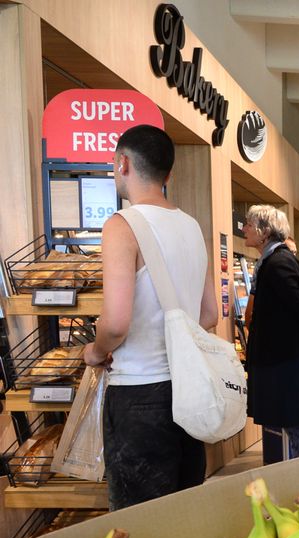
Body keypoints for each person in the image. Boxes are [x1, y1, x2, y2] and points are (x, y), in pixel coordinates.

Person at [82, 124, 218, 510]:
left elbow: (116, 322)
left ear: (123, 163)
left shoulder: (121, 225)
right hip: (188, 390)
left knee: (142, 524)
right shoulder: (192, 227)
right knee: (185, 512)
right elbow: (210, 313)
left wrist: (95, 350)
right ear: (168, 175)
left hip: (139, 391)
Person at [242, 204, 299, 463]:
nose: (244, 228)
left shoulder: (275, 265)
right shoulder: (284, 260)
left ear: (265, 231)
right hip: (288, 362)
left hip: (284, 364)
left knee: (296, 426)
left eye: (249, 224)